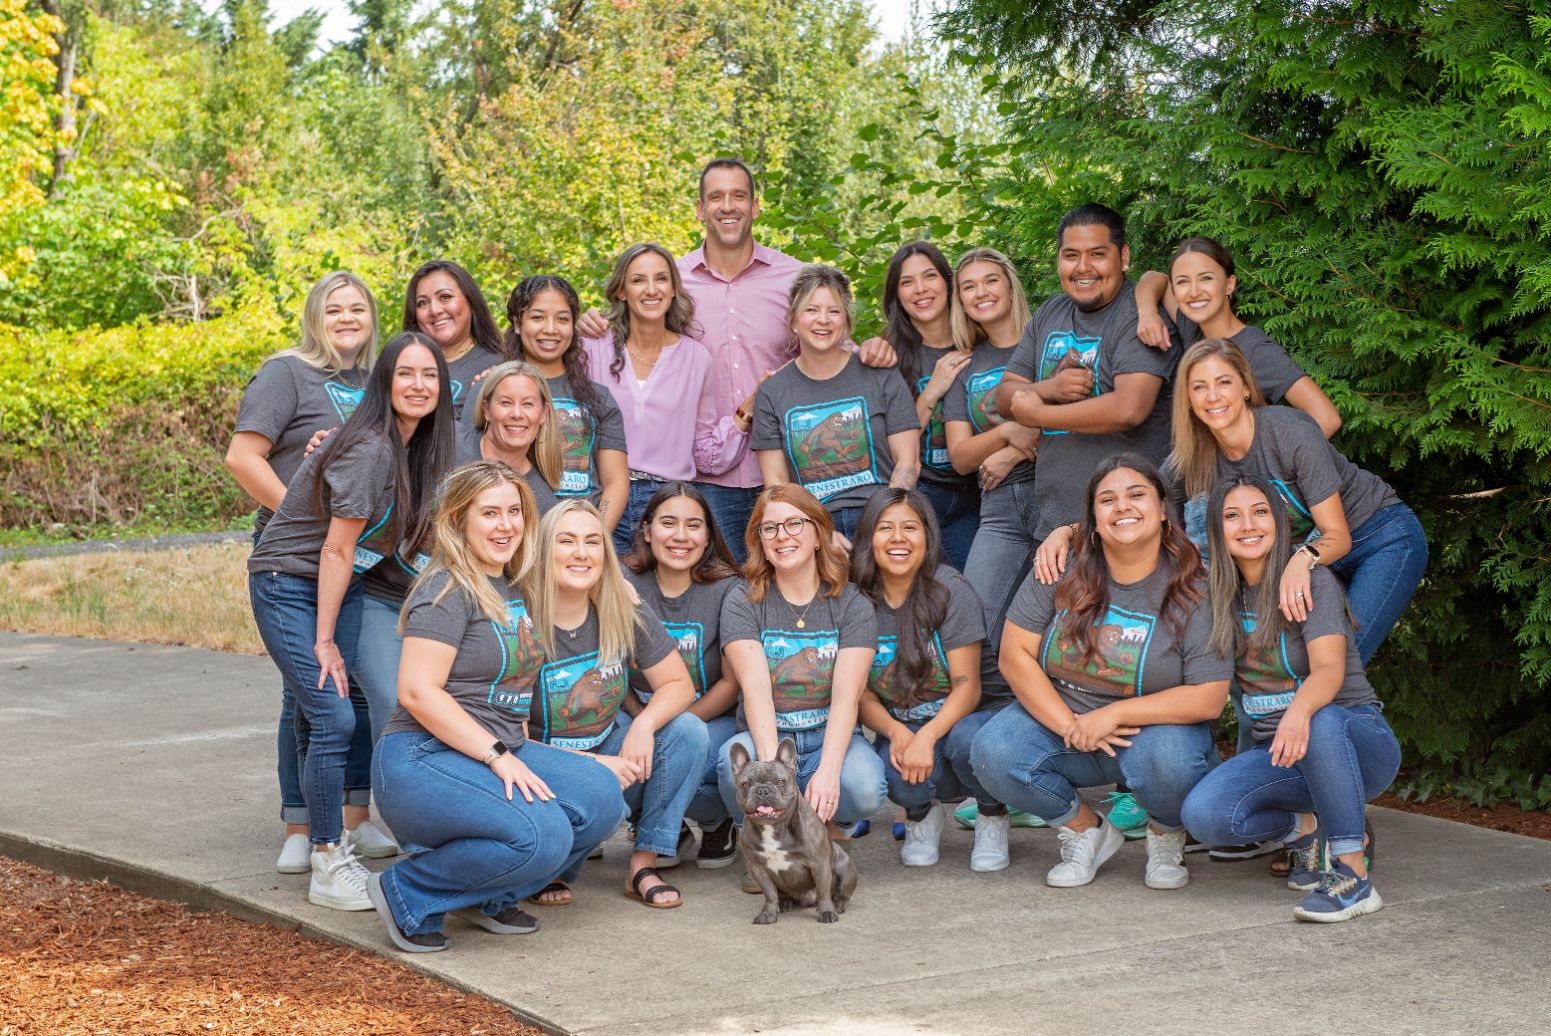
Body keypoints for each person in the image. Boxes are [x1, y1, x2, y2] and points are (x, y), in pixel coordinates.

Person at [579, 157, 895, 562]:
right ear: (700, 209)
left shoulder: (793, 277)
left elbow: (833, 345)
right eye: (716, 197)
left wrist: (871, 350)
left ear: (755, 206)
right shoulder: (672, 281)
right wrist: (591, 323)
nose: (727, 206)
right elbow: (634, 323)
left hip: (790, 470)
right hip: (708, 480)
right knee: (722, 592)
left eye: (738, 196)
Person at [366, 461, 626, 952]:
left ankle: (485, 892)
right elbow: (418, 691)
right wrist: (496, 755)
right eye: (489, 513)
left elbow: (581, 571)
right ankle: (410, 892)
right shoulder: (446, 590)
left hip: (496, 749)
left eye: (514, 511)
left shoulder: (514, 584)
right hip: (422, 757)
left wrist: (621, 582)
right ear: (459, 519)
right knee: (541, 834)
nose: (505, 525)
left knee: (600, 797)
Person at [247, 332, 455, 911]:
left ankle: (328, 842)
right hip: (289, 581)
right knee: (332, 713)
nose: (418, 385)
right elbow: (336, 549)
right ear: (383, 382)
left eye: (429, 375)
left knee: (331, 715)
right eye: (405, 374)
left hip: (345, 584)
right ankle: (325, 857)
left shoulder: (410, 449)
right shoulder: (372, 448)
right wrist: (323, 641)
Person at [970, 456, 1231, 889]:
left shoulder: (1195, 587)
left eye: (1136, 495)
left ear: (1163, 509)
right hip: (1067, 723)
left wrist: (1111, 716)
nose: (1122, 507)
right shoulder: (1062, 566)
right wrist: (1069, 723)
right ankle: (1085, 829)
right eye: (1107, 500)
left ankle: (1165, 832)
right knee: (993, 752)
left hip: (1151, 732)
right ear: (1091, 519)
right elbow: (1015, 654)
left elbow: (1209, 696)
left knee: (1170, 761)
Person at [226, 271, 391, 872]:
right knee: (307, 695)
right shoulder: (286, 371)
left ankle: (352, 817)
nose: (347, 319)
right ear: (314, 316)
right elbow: (242, 456)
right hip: (293, 555)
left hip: (350, 557)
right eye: (334, 308)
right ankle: (300, 825)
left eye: (359, 309)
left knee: (346, 688)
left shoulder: (373, 382)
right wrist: (297, 512)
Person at [1181, 474, 1400, 922]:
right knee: (1204, 815)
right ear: (1217, 532)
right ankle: (1306, 829)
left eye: (1260, 511)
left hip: (1355, 743)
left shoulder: (1310, 581)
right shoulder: (1214, 598)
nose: (1248, 524)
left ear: (1279, 522)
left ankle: (1353, 879)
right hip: (1283, 756)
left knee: (1320, 718)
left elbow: (1329, 671)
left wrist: (1298, 711)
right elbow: (1205, 690)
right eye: (1232, 515)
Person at [1165, 338, 1426, 663]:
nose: (1213, 396)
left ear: (1245, 387)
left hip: (1377, 538)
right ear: (1188, 400)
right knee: (1294, 667)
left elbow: (1338, 535)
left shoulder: (1289, 433)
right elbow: (1159, 496)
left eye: (1224, 382)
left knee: (1339, 666)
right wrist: (1184, 562)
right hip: (1313, 560)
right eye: (1199, 387)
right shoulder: (1196, 455)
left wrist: (1301, 560)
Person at [525, 501, 707, 909]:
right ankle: (551, 864)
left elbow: (679, 684)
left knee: (687, 732)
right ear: (542, 551)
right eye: (566, 541)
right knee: (578, 809)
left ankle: (643, 863)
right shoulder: (522, 622)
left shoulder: (620, 610)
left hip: (612, 752)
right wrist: (589, 767)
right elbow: (513, 744)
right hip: (544, 770)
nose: (581, 552)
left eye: (592, 542)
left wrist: (643, 725)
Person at [715, 483, 886, 891]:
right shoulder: (744, 599)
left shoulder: (851, 602)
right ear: (759, 540)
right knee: (729, 763)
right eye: (769, 528)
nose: (782, 536)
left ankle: (827, 830)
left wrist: (827, 771)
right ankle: (764, 848)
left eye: (794, 523)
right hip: (768, 734)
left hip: (827, 733)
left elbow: (847, 698)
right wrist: (773, 774)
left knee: (864, 785)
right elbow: (755, 690)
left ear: (819, 533)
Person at [993, 204, 1179, 547]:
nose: (1082, 267)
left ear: (1123, 257)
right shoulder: (1050, 312)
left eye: (1097, 254)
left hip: (1130, 525)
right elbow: (1004, 396)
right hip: (1055, 524)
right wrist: (1048, 388)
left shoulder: (1139, 316)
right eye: (1071, 255)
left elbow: (1129, 408)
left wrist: (1037, 412)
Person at [850, 488, 1014, 871]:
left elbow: (968, 686)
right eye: (885, 528)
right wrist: (895, 730)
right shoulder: (857, 600)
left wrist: (925, 736)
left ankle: (992, 814)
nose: (898, 538)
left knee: (966, 740)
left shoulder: (949, 589)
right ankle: (922, 815)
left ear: (928, 536)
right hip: (907, 718)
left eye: (910, 527)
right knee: (892, 768)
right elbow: (862, 696)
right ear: (867, 538)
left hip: (976, 715)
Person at [622, 482, 744, 869]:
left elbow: (731, 682)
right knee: (616, 758)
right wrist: (644, 719)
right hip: (636, 711)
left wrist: (672, 722)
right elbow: (613, 674)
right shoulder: (623, 584)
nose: (680, 536)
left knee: (681, 752)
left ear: (708, 535)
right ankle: (659, 824)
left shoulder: (728, 589)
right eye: (668, 523)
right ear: (646, 529)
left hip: (707, 717)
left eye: (693, 525)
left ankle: (714, 818)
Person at [751, 264, 920, 544]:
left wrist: (886, 525)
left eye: (834, 311)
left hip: (884, 514)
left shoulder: (881, 374)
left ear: (846, 321)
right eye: (811, 310)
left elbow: (908, 463)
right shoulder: (772, 392)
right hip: (814, 526)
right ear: (794, 321)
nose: (823, 320)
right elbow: (777, 486)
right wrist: (819, 534)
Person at [579, 243, 715, 554]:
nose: (651, 289)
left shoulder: (697, 358)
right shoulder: (592, 346)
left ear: (673, 289)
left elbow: (705, 444)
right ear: (621, 291)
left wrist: (745, 411)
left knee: (661, 600)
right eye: (639, 280)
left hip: (669, 504)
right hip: (603, 497)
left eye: (661, 279)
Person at [1134, 237, 1342, 438]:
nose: (1194, 291)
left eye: (1206, 278)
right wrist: (1147, 313)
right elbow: (1153, 278)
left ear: (1229, 285)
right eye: (1183, 282)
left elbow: (1327, 418)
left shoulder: (1255, 349)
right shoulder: (1191, 326)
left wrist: (1279, 467)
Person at [942, 247, 1041, 630]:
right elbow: (961, 457)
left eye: (990, 280)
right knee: (977, 621)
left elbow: (1078, 420)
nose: (980, 292)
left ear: (1010, 285)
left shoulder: (1045, 339)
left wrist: (1010, 455)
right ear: (961, 301)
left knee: (1058, 621)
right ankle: (1000, 695)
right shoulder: (968, 365)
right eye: (968, 286)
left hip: (1057, 498)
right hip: (999, 509)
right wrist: (1007, 432)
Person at [875, 242, 979, 569]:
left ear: (948, 282)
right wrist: (932, 392)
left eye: (930, 276)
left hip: (977, 495)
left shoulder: (980, 340)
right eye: (907, 282)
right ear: (896, 295)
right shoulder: (888, 356)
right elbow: (890, 446)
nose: (920, 289)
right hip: (922, 494)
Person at [504, 275, 630, 534]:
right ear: (518, 323)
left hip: (581, 536)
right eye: (537, 317)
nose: (551, 329)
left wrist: (593, 539)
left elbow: (616, 482)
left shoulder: (598, 397)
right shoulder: (494, 392)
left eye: (562, 319)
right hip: (517, 537)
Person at [401, 260, 507, 421]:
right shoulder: (399, 369)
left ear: (471, 301)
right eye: (423, 303)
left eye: (445, 297)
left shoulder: (501, 367)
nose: (435, 310)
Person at [458, 360, 563, 516]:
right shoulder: (449, 443)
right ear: (486, 409)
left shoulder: (543, 503)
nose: (516, 414)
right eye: (506, 403)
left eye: (527, 404)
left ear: (543, 413)